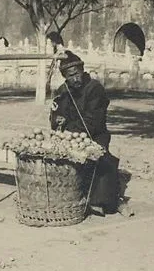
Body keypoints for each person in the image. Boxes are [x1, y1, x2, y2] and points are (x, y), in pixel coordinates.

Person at [49, 50, 120, 216]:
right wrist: (57, 120)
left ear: (82, 70)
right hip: (70, 136)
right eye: (70, 76)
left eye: (77, 74)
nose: (75, 79)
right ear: (65, 77)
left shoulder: (95, 88)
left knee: (101, 160)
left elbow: (93, 120)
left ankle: (100, 201)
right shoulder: (63, 90)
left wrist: (72, 131)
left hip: (95, 134)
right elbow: (55, 114)